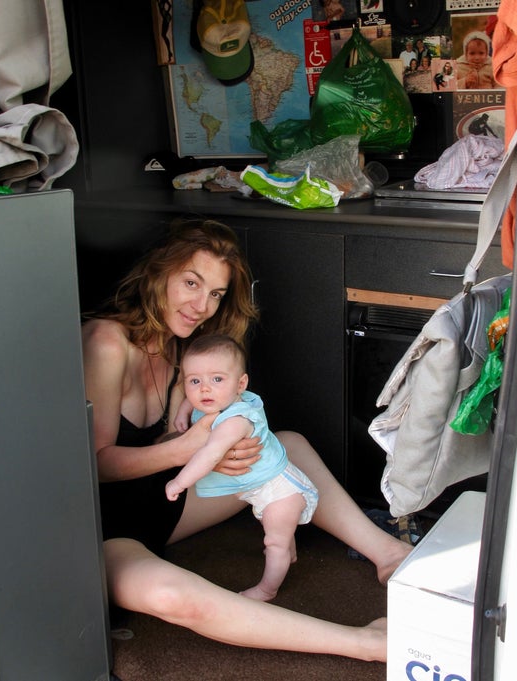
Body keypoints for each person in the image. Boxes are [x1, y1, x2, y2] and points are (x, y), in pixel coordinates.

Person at [81, 218, 412, 662]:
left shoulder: (184, 345)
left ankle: (388, 552)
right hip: (106, 532)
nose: (202, 305)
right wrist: (186, 450)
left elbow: (191, 433)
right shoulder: (106, 342)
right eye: (191, 283)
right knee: (168, 596)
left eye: (215, 294)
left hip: (164, 504)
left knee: (286, 444)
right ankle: (365, 644)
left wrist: (217, 448)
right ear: (158, 273)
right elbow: (94, 465)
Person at [166, 334, 319, 602]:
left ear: (241, 384)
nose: (204, 390)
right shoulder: (217, 398)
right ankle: (289, 550)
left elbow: (210, 455)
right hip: (256, 485)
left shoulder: (236, 420)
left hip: (278, 491)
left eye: (216, 379)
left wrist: (179, 483)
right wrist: (182, 411)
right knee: (278, 532)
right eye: (194, 381)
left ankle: (267, 589)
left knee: (275, 542)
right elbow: (195, 397)